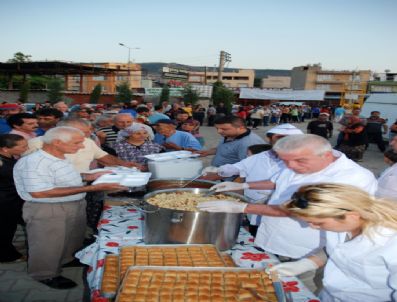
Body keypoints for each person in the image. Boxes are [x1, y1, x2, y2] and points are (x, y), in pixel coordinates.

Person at [198, 134, 377, 292]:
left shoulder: (352, 177)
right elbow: (277, 181)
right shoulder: (296, 162)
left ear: (327, 155)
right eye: (285, 161)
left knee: (300, 289)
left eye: (299, 161)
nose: (291, 166)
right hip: (274, 237)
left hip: (306, 247)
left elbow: (300, 211)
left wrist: (243, 208)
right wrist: (244, 185)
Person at [13, 127, 126, 289]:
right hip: (48, 208)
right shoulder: (35, 163)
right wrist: (91, 188)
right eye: (77, 143)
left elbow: (62, 179)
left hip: (72, 203)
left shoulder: (59, 156)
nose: (81, 146)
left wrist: (88, 176)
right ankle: (45, 274)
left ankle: (66, 259)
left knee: (71, 236)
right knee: (47, 243)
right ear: (57, 142)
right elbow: (40, 193)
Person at [272, 183, 397, 302]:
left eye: (318, 223)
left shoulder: (391, 243)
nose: (312, 227)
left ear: (352, 215)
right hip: (331, 294)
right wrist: (307, 263)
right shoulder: (344, 225)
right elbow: (336, 249)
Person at [201, 124, 303, 236]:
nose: (286, 141)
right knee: (255, 233)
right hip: (253, 205)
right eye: (280, 137)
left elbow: (284, 183)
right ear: (269, 139)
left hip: (280, 210)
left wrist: (243, 186)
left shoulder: (302, 161)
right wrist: (218, 170)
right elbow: (238, 167)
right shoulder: (262, 156)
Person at [0, 134, 28, 262]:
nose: (26, 148)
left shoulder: (10, 157)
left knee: (10, 228)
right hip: (5, 202)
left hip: (13, 200)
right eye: (23, 146)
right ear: (5, 148)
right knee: (5, 229)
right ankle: (7, 255)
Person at [197, 116, 265, 167]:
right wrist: (207, 152)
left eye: (224, 129)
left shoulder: (248, 143)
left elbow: (249, 168)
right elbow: (225, 148)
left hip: (229, 180)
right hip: (219, 174)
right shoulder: (229, 135)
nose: (219, 131)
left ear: (241, 127)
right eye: (217, 128)